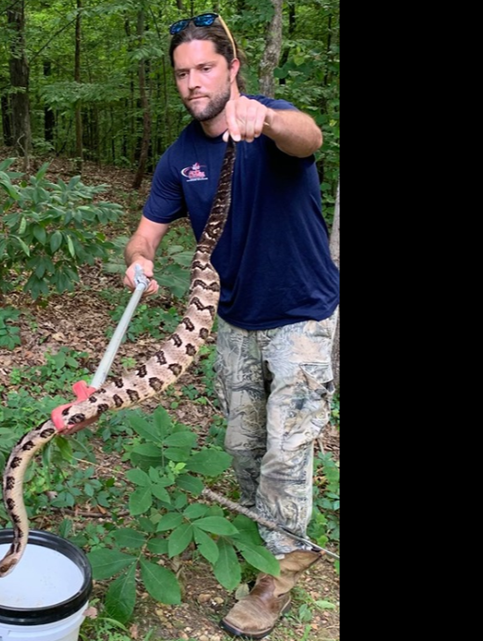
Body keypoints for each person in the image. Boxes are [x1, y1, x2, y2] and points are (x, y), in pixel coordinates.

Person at [121, 12, 340, 640]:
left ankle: (280, 572)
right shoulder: (180, 157)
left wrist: (266, 120)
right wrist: (139, 262)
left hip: (302, 313)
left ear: (232, 66)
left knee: (286, 448)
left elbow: (310, 137)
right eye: (183, 73)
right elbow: (144, 236)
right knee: (243, 445)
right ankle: (270, 526)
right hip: (235, 320)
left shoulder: (271, 121)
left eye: (205, 68)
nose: (193, 82)